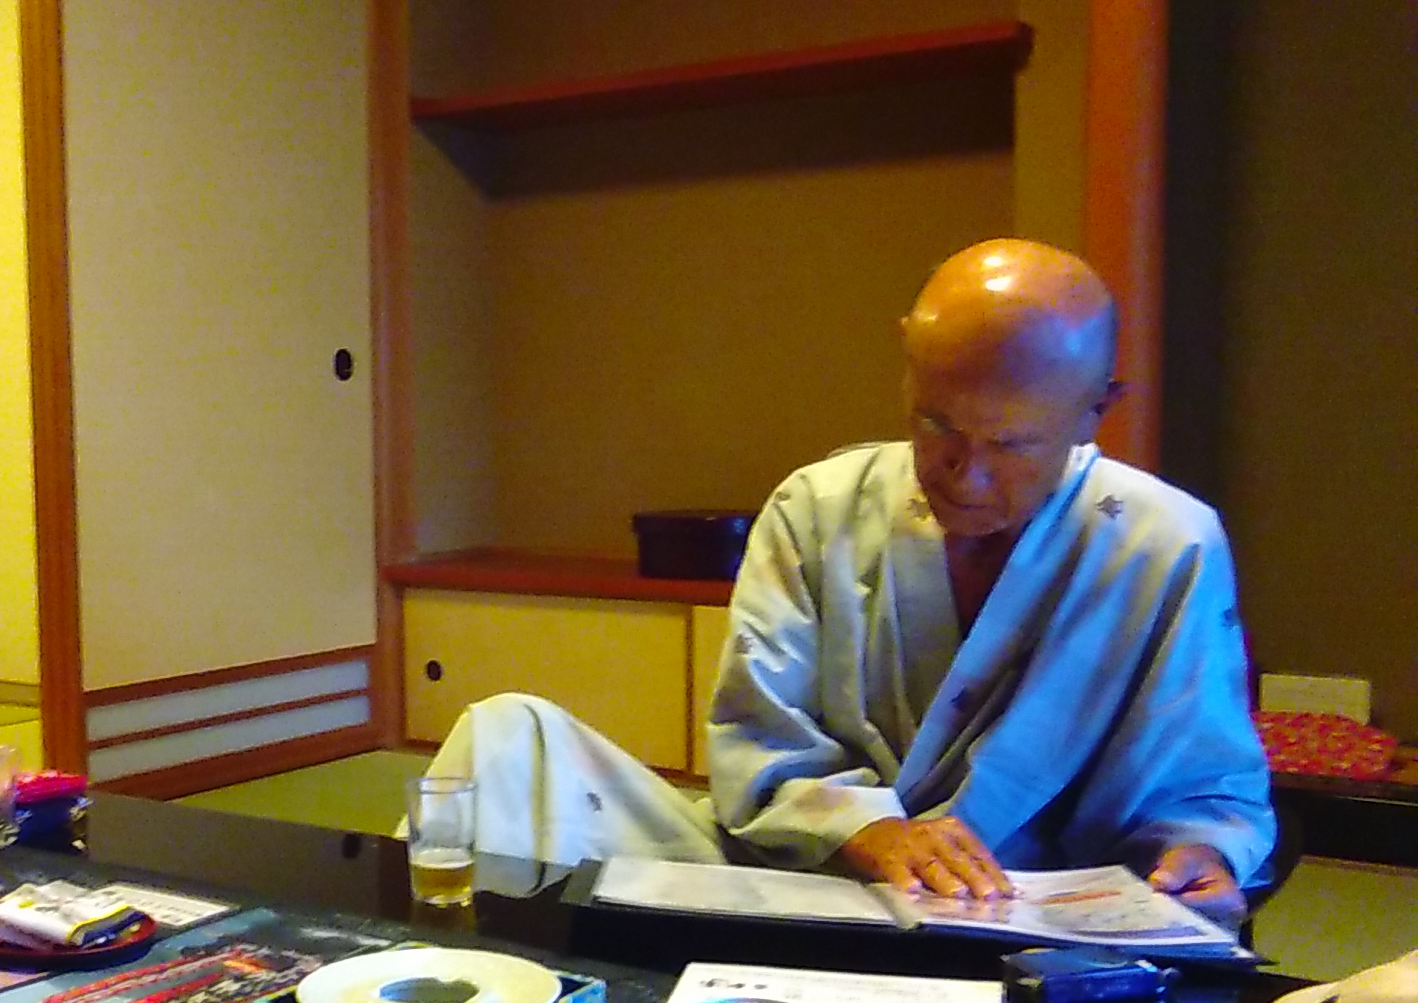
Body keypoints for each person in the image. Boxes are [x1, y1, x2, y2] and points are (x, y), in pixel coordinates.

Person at [426, 238, 1275, 920]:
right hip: (803, 872)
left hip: (1016, 907)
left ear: (1096, 410)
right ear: (909, 363)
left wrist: (1198, 856)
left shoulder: (1165, 542)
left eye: (1012, 443)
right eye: (936, 424)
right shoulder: (818, 505)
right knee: (511, 733)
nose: (965, 474)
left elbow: (1204, 781)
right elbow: (759, 741)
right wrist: (869, 832)